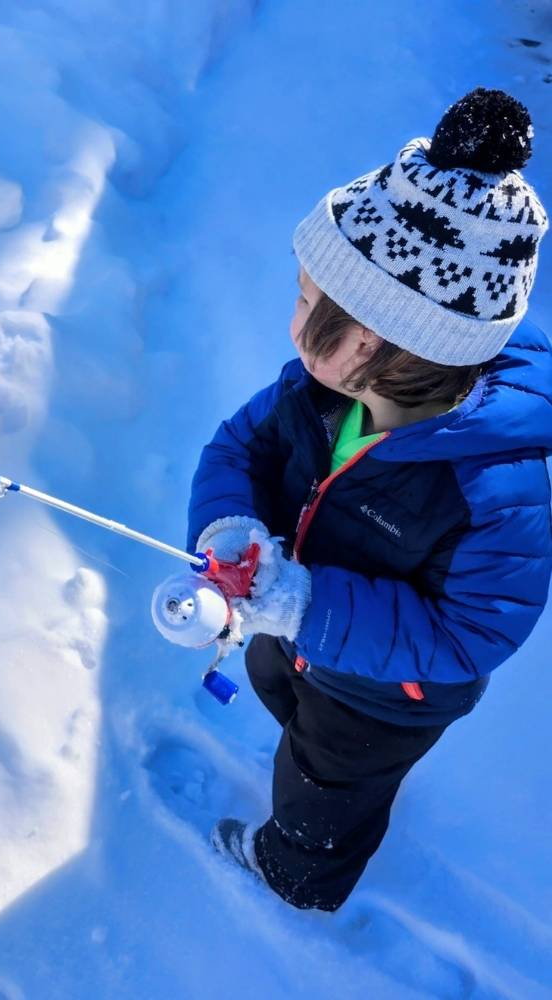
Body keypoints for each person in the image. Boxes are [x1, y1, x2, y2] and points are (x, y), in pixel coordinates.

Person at [186, 88, 551, 912]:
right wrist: (231, 525)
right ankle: (301, 746)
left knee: (328, 791)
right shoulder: (319, 392)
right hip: (297, 640)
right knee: (286, 701)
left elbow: (472, 634)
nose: (292, 319)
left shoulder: (494, 487)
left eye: (307, 301)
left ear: (370, 339)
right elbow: (237, 449)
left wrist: (306, 603)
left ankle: (295, 874)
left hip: (386, 700)